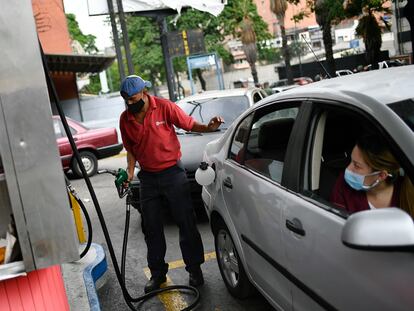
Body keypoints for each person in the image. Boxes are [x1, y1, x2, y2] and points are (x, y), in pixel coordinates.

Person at [119, 75, 224, 293]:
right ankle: (158, 274)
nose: (130, 103)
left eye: (133, 98)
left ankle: (195, 270)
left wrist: (209, 127)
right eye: (126, 100)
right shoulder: (125, 119)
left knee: (186, 222)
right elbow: (130, 149)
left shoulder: (165, 107)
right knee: (152, 228)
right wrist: (130, 172)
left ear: (144, 92)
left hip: (172, 174)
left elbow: (190, 124)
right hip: (148, 178)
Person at [330, 134, 414, 217]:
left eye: (356, 165)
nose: (347, 169)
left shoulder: (406, 192)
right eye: (351, 161)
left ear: (381, 175)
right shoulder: (344, 185)